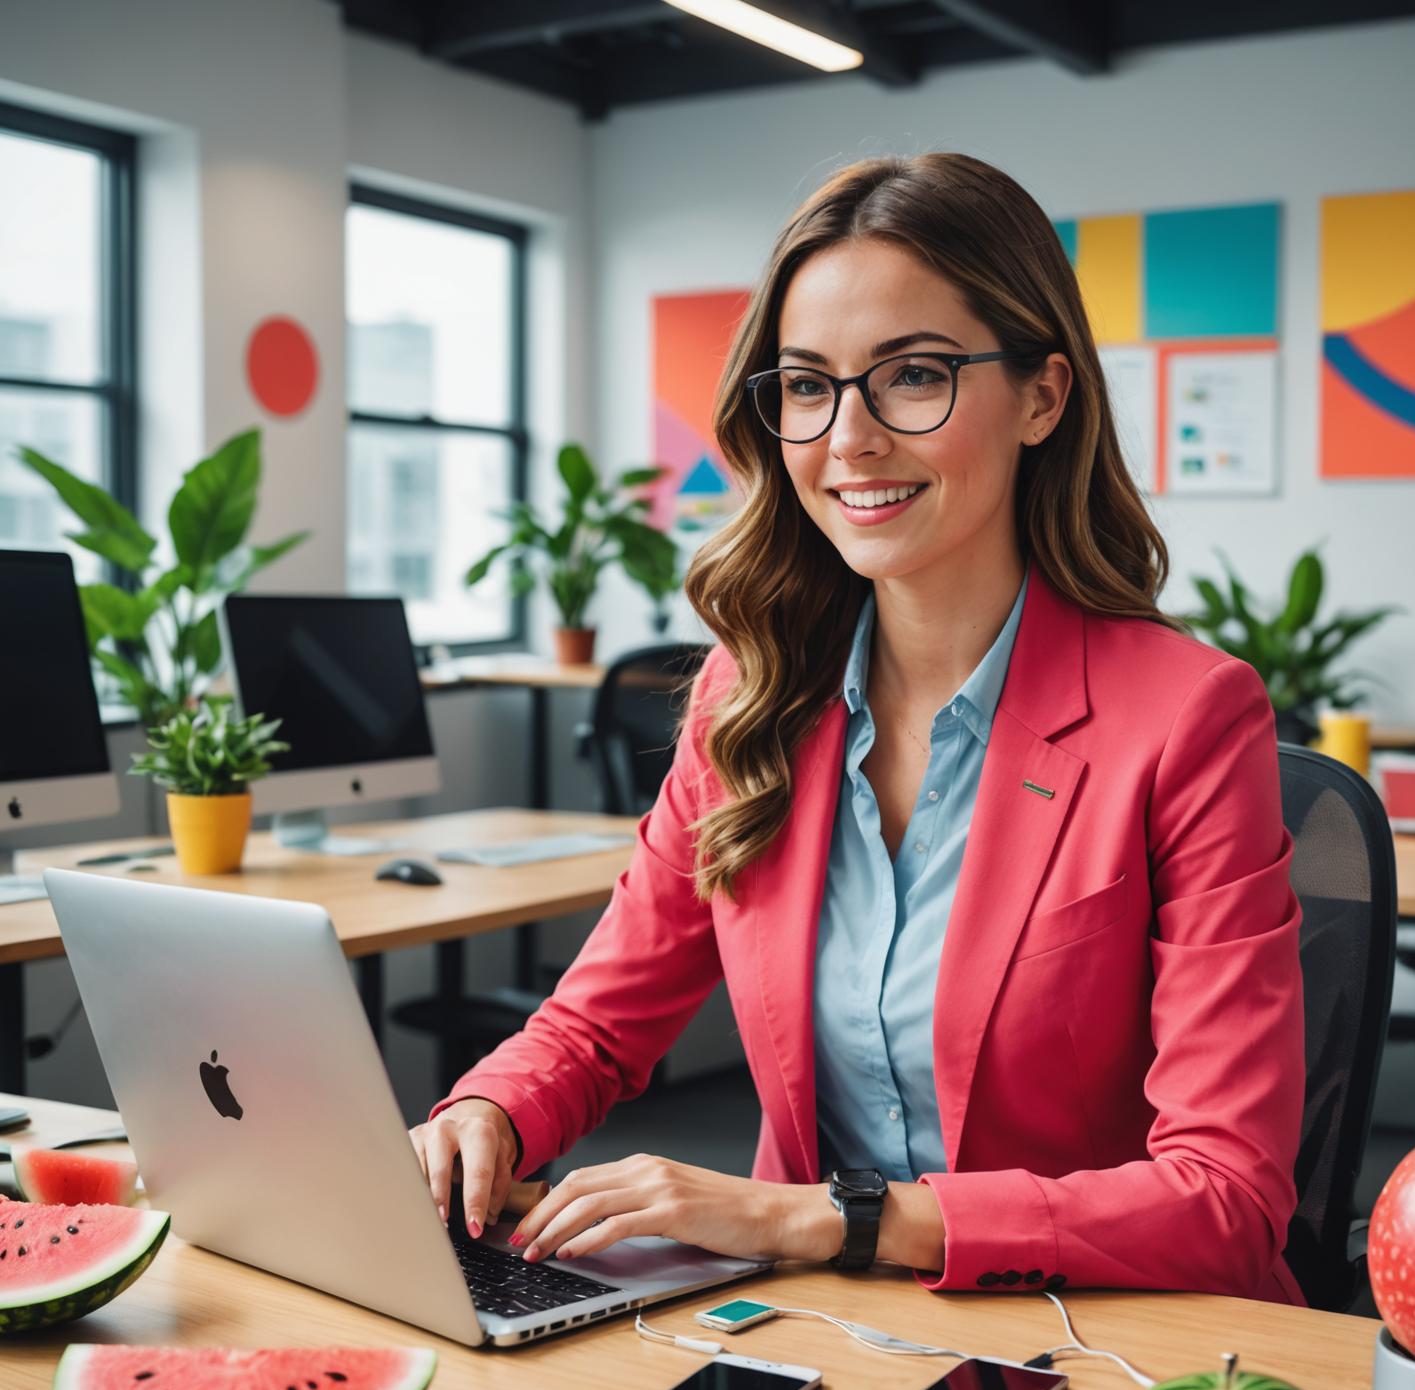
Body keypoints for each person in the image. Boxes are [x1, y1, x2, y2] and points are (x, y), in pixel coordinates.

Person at [410, 152, 1306, 1303]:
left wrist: (835, 1217)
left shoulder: (1186, 718)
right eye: (805, 385)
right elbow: (594, 1023)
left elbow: (1225, 1198)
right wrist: (487, 1109)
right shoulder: (753, 696)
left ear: (1043, 394)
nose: (849, 439)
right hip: (808, 1328)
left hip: (1107, 1343)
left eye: (914, 375)